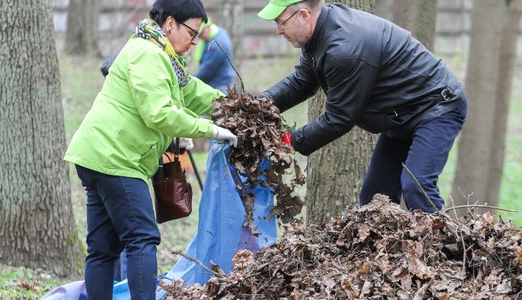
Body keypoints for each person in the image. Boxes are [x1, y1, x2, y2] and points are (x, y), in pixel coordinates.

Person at [64, 0, 237, 298]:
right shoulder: (148, 54)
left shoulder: (161, 54)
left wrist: (230, 105)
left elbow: (189, 91)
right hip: (115, 159)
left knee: (103, 249)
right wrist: (211, 129)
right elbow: (159, 113)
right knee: (142, 239)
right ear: (170, 23)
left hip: (97, 155)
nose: (194, 41)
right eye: (191, 33)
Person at [257, 0, 468, 213]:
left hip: (437, 107)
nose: (278, 31)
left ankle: (443, 245)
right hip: (401, 115)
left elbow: (338, 119)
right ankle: (388, 247)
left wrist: (289, 141)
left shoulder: (344, 48)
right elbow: (302, 82)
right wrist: (258, 106)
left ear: (304, 15)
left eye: (280, 22)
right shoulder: (319, 35)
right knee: (376, 198)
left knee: (417, 186)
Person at [191, 17, 235, 94]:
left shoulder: (216, 45)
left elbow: (206, 70)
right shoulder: (219, 31)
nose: (200, 37)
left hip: (219, 86)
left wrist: (190, 81)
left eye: (201, 33)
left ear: (208, 27)